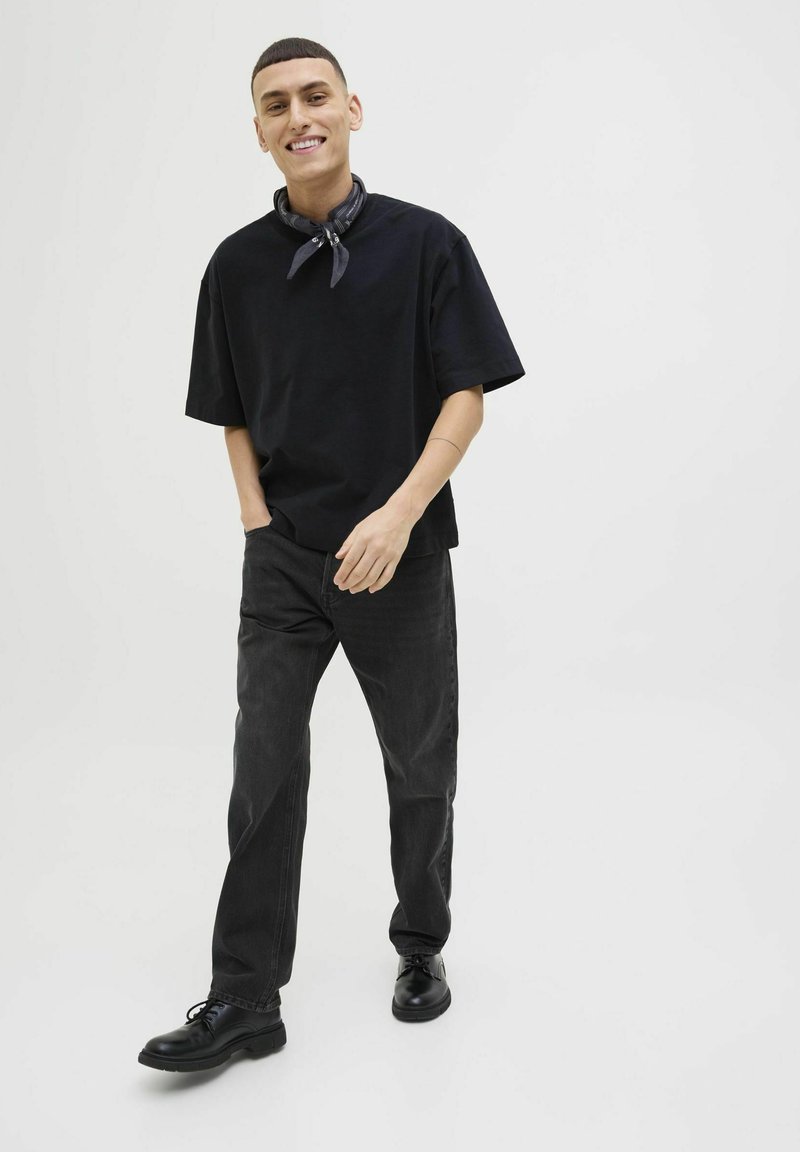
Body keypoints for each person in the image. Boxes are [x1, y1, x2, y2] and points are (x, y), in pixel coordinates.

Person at [138, 36, 524, 1073]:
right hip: (284, 559)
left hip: (399, 549)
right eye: (276, 104)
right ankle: (243, 999)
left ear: (353, 109)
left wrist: (398, 516)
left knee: (419, 765)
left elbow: (466, 395)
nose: (298, 116)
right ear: (258, 131)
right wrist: (257, 522)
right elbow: (228, 408)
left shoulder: (426, 244)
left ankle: (420, 945)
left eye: (315, 96)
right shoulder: (235, 265)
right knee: (262, 770)